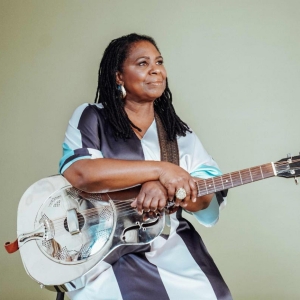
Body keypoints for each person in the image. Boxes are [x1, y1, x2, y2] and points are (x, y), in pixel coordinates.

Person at [59, 33, 232, 300]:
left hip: (170, 244)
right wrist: (160, 172)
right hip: (103, 250)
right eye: (142, 63)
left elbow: (206, 205)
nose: (155, 70)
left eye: (159, 62)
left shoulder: (180, 134)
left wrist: (182, 192)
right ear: (119, 76)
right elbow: (81, 173)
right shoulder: (93, 117)